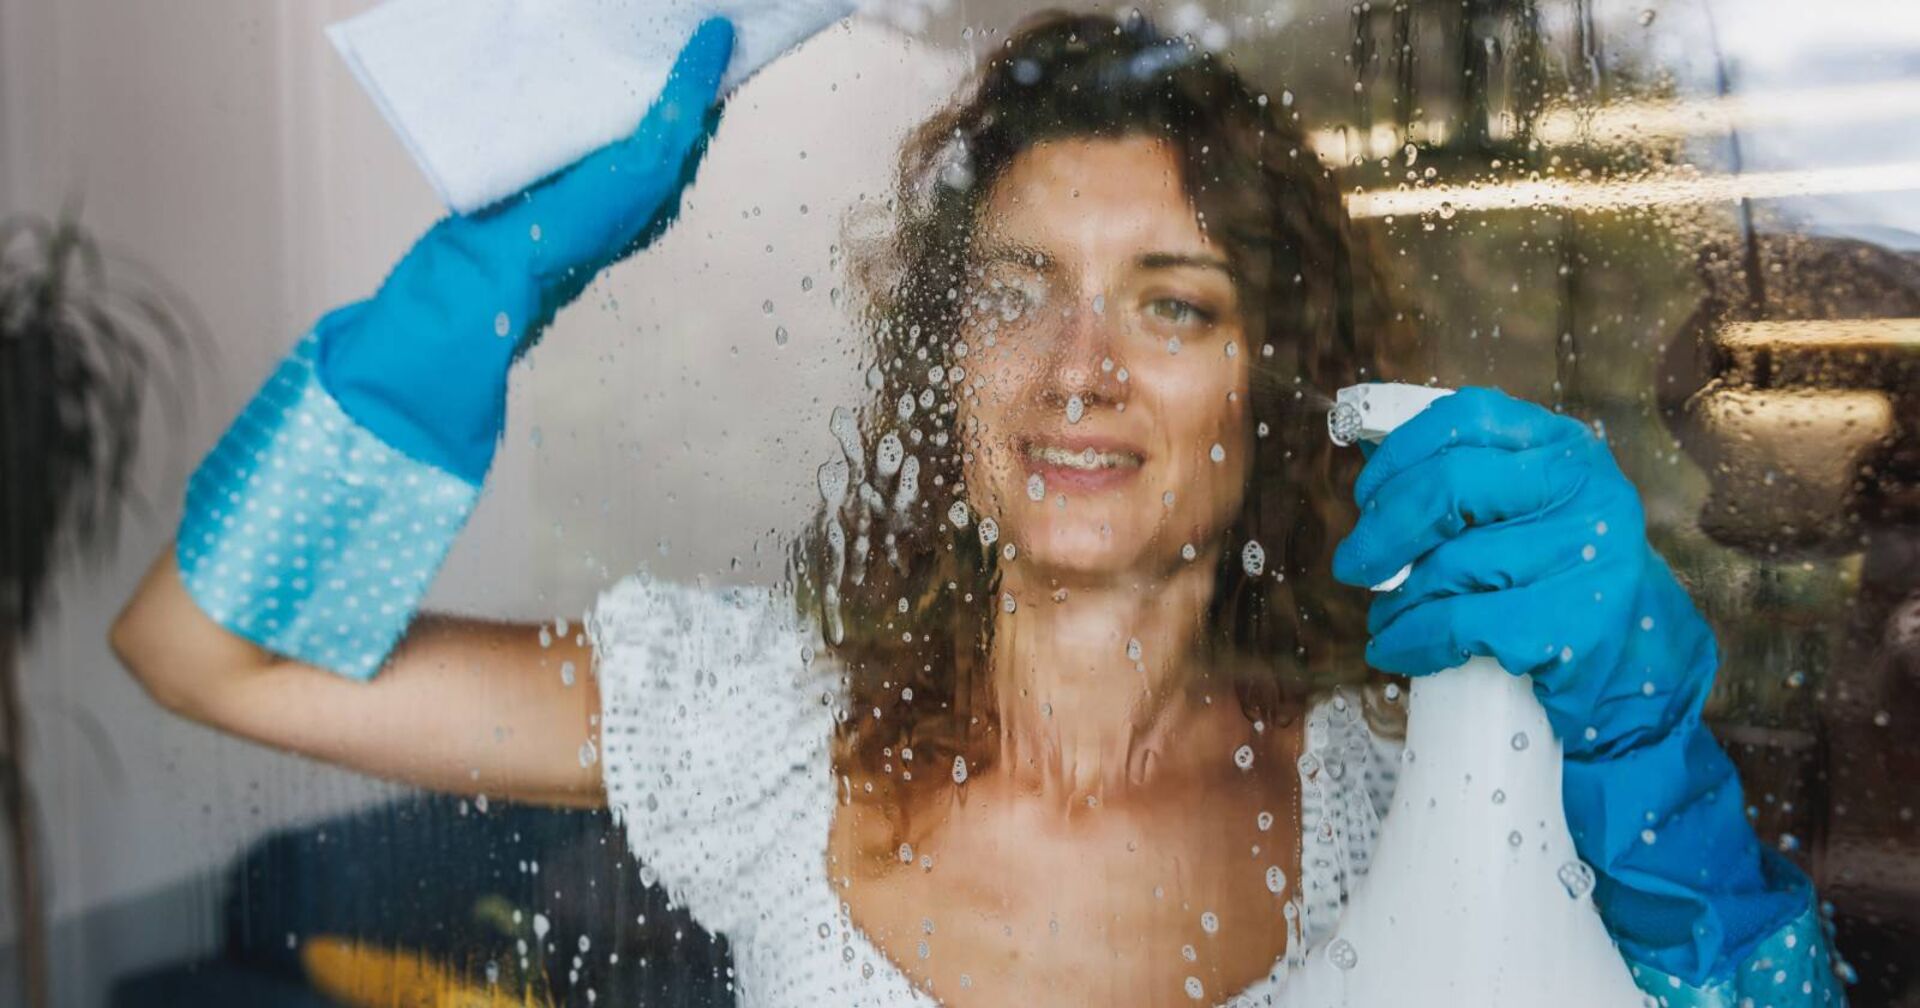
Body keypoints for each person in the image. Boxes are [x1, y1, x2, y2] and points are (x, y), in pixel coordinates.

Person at [111, 11, 1844, 1007]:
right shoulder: (764, 728)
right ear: (944, 374)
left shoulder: (1405, 794)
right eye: (1018, 291)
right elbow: (208, 659)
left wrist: (1635, 752)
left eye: (1171, 302)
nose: (1078, 365)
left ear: (1271, 387)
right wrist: (470, 302)